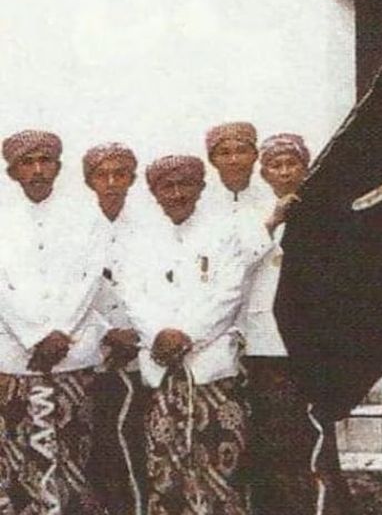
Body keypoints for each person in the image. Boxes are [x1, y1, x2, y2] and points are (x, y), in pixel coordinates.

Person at [126, 155, 269, 515]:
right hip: (162, 374)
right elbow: (133, 294)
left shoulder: (224, 233)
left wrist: (187, 335)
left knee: (222, 468)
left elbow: (228, 293)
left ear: (201, 187)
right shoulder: (141, 240)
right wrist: (159, 334)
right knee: (164, 470)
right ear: (154, 192)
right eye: (167, 187)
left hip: (212, 372)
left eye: (184, 184)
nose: (176, 194)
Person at [0, 129, 107, 513]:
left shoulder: (85, 213)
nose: (38, 170)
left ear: (58, 167)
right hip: (14, 358)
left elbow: (89, 277)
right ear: (12, 172)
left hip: (71, 357)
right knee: (17, 460)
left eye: (45, 161)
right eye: (27, 163)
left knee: (75, 457)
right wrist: (33, 337)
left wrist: (62, 332)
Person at [247, 133, 352, 515]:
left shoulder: (324, 212)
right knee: (271, 439)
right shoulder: (253, 214)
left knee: (311, 437)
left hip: (306, 341)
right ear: (264, 172)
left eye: (293, 163)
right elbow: (239, 266)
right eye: (276, 165)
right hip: (263, 343)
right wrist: (272, 222)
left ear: (306, 168)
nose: (285, 171)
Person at [82, 142, 148, 515]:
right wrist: (107, 332)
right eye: (102, 175)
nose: (111, 183)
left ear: (131, 179)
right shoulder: (75, 228)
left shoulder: (146, 228)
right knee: (96, 444)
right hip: (93, 350)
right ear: (90, 180)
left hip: (137, 351)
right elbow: (70, 290)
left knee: (134, 441)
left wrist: (134, 333)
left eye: (119, 174)